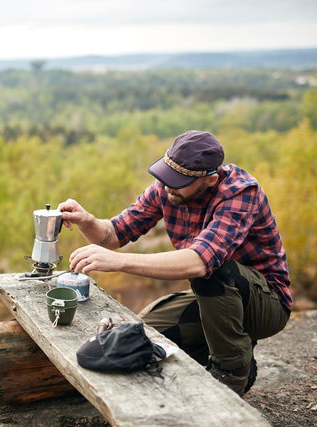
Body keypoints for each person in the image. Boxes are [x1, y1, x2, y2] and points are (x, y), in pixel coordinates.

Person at [59, 130, 292, 396]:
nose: (168, 185)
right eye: (167, 176)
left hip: (265, 305)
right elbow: (114, 234)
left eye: (179, 181)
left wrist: (120, 262)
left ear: (211, 179)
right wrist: (86, 220)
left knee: (212, 270)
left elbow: (200, 262)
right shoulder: (169, 187)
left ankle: (232, 373)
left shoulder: (240, 193)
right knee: (141, 336)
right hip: (216, 301)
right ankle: (223, 355)